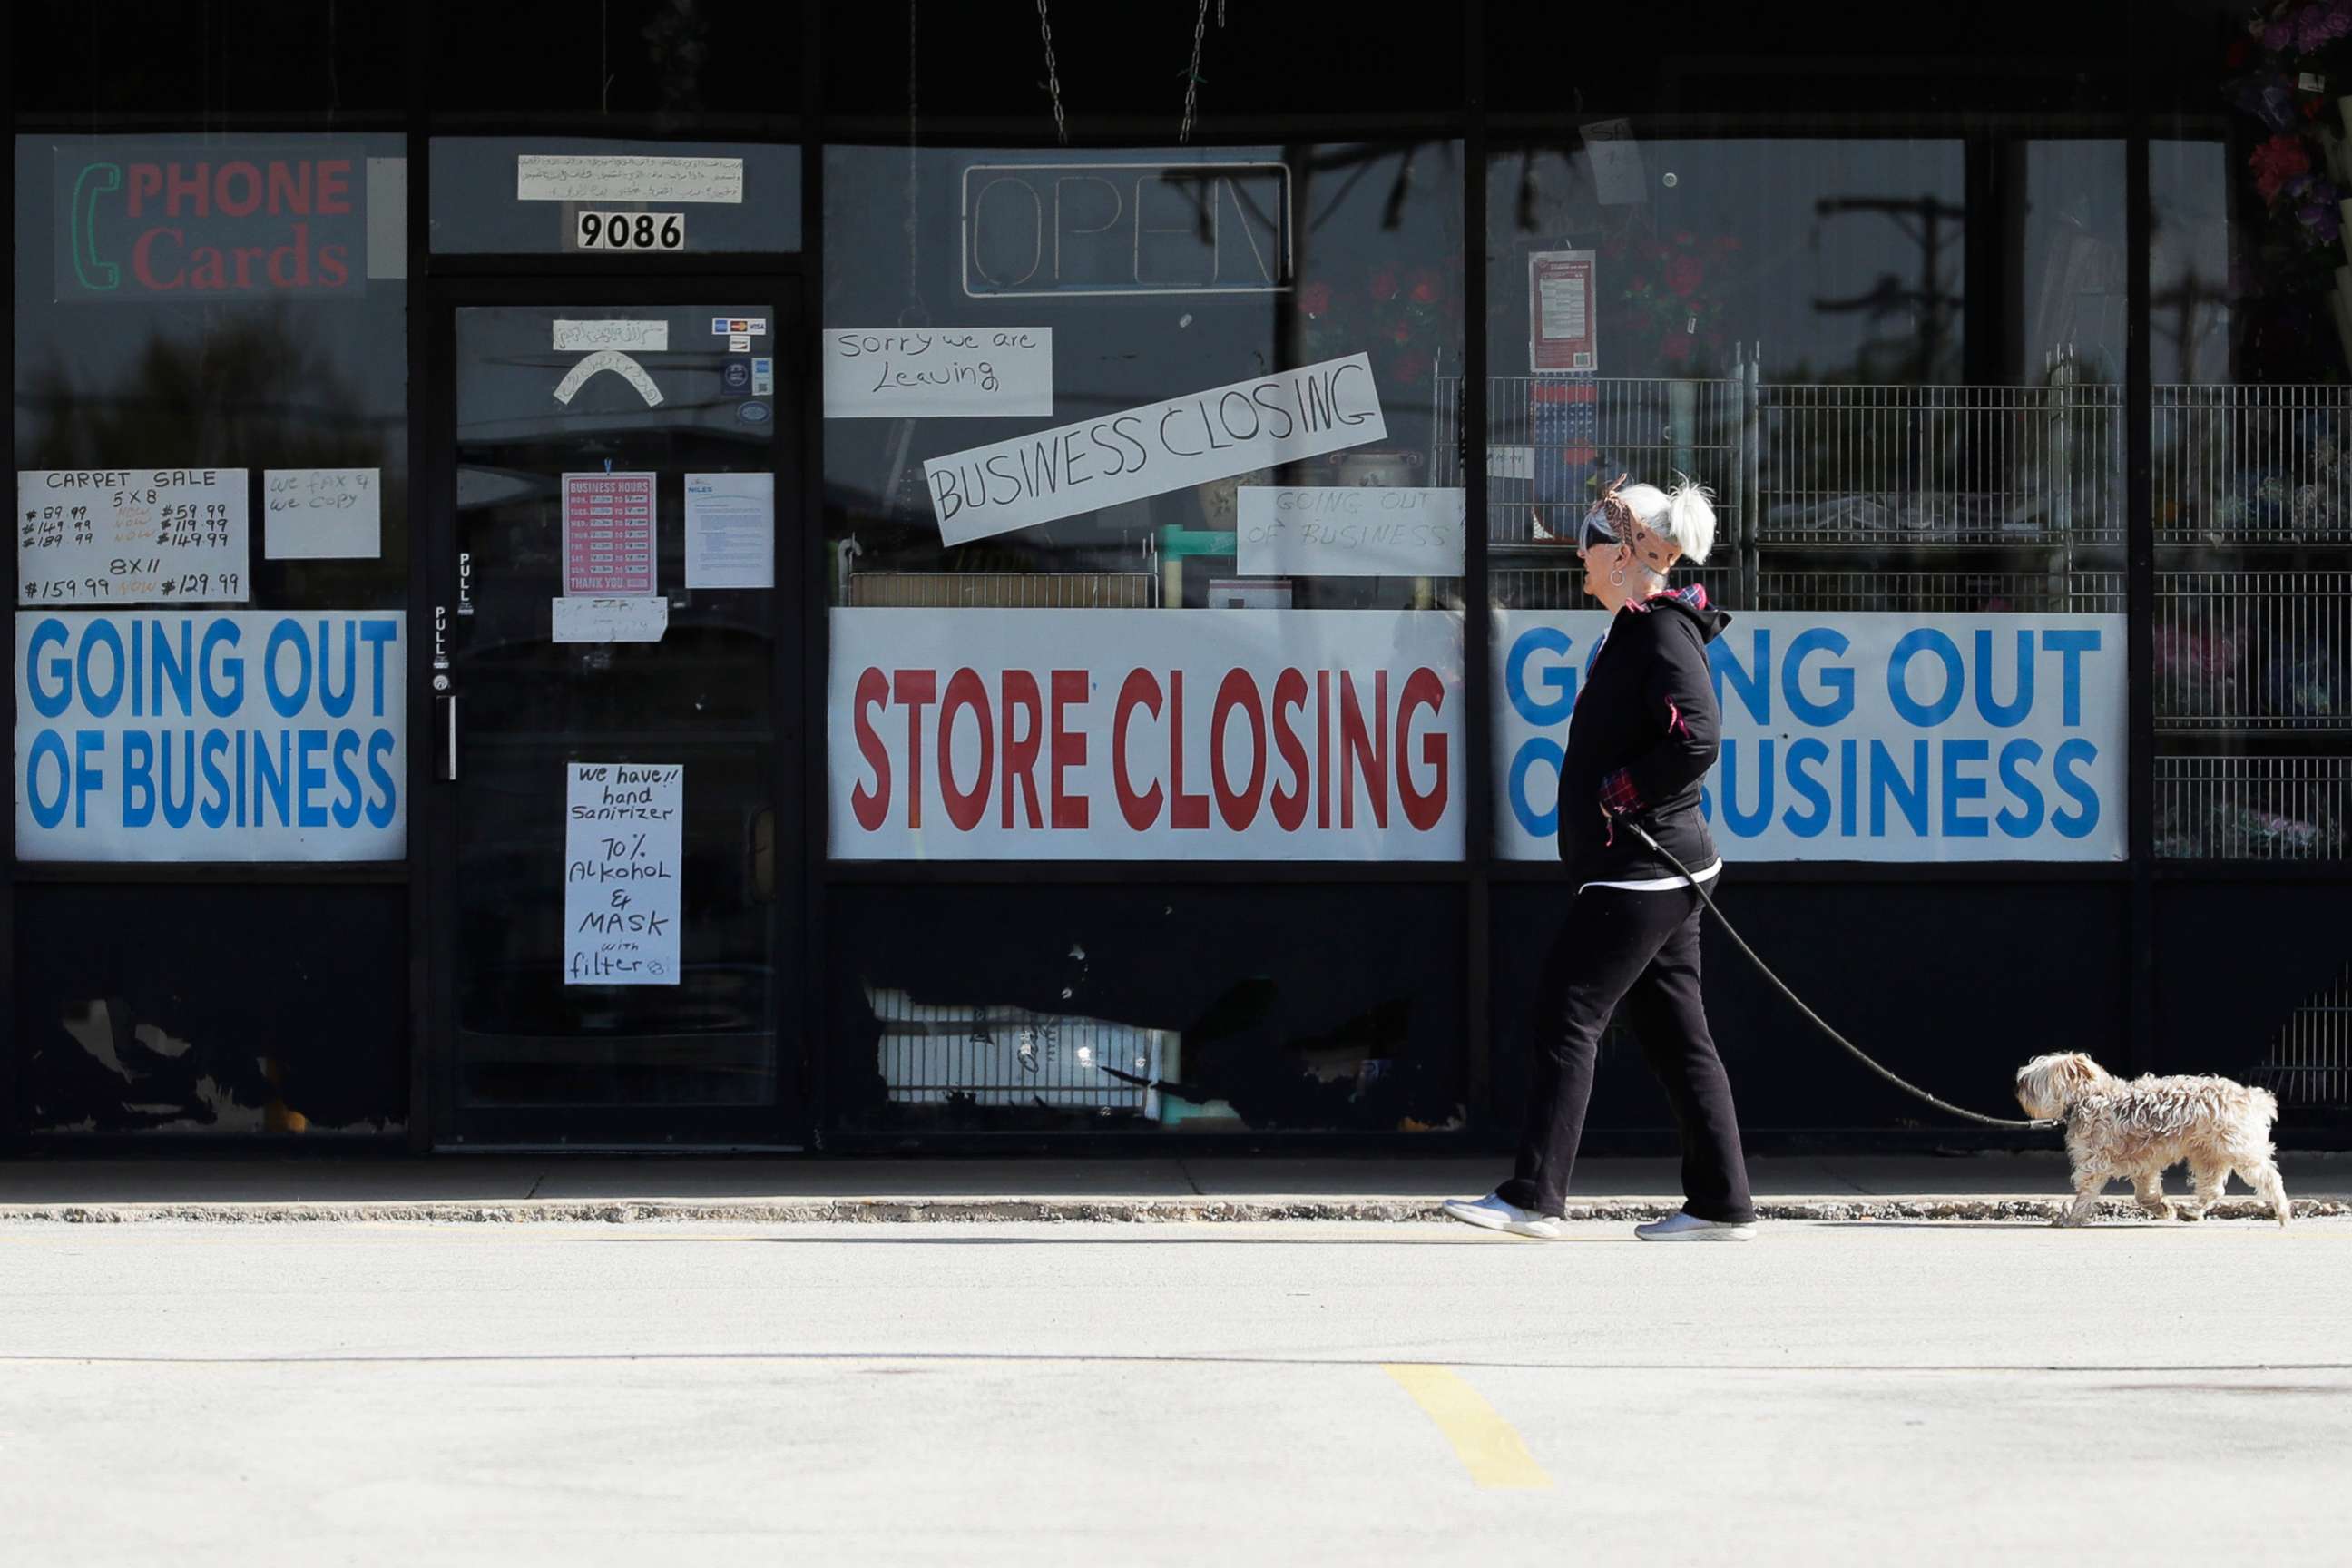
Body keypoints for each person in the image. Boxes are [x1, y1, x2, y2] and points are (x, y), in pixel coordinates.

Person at [1446, 477, 1759, 1241]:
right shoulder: (1637, 627)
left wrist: (1624, 790)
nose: (1580, 566)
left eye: (1587, 551)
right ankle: (1722, 1203)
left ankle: (1534, 1197)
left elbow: (1698, 737)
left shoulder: (1658, 630)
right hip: (1652, 865)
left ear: (1621, 555)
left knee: (1568, 1012)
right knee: (1676, 1035)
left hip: (1642, 867)